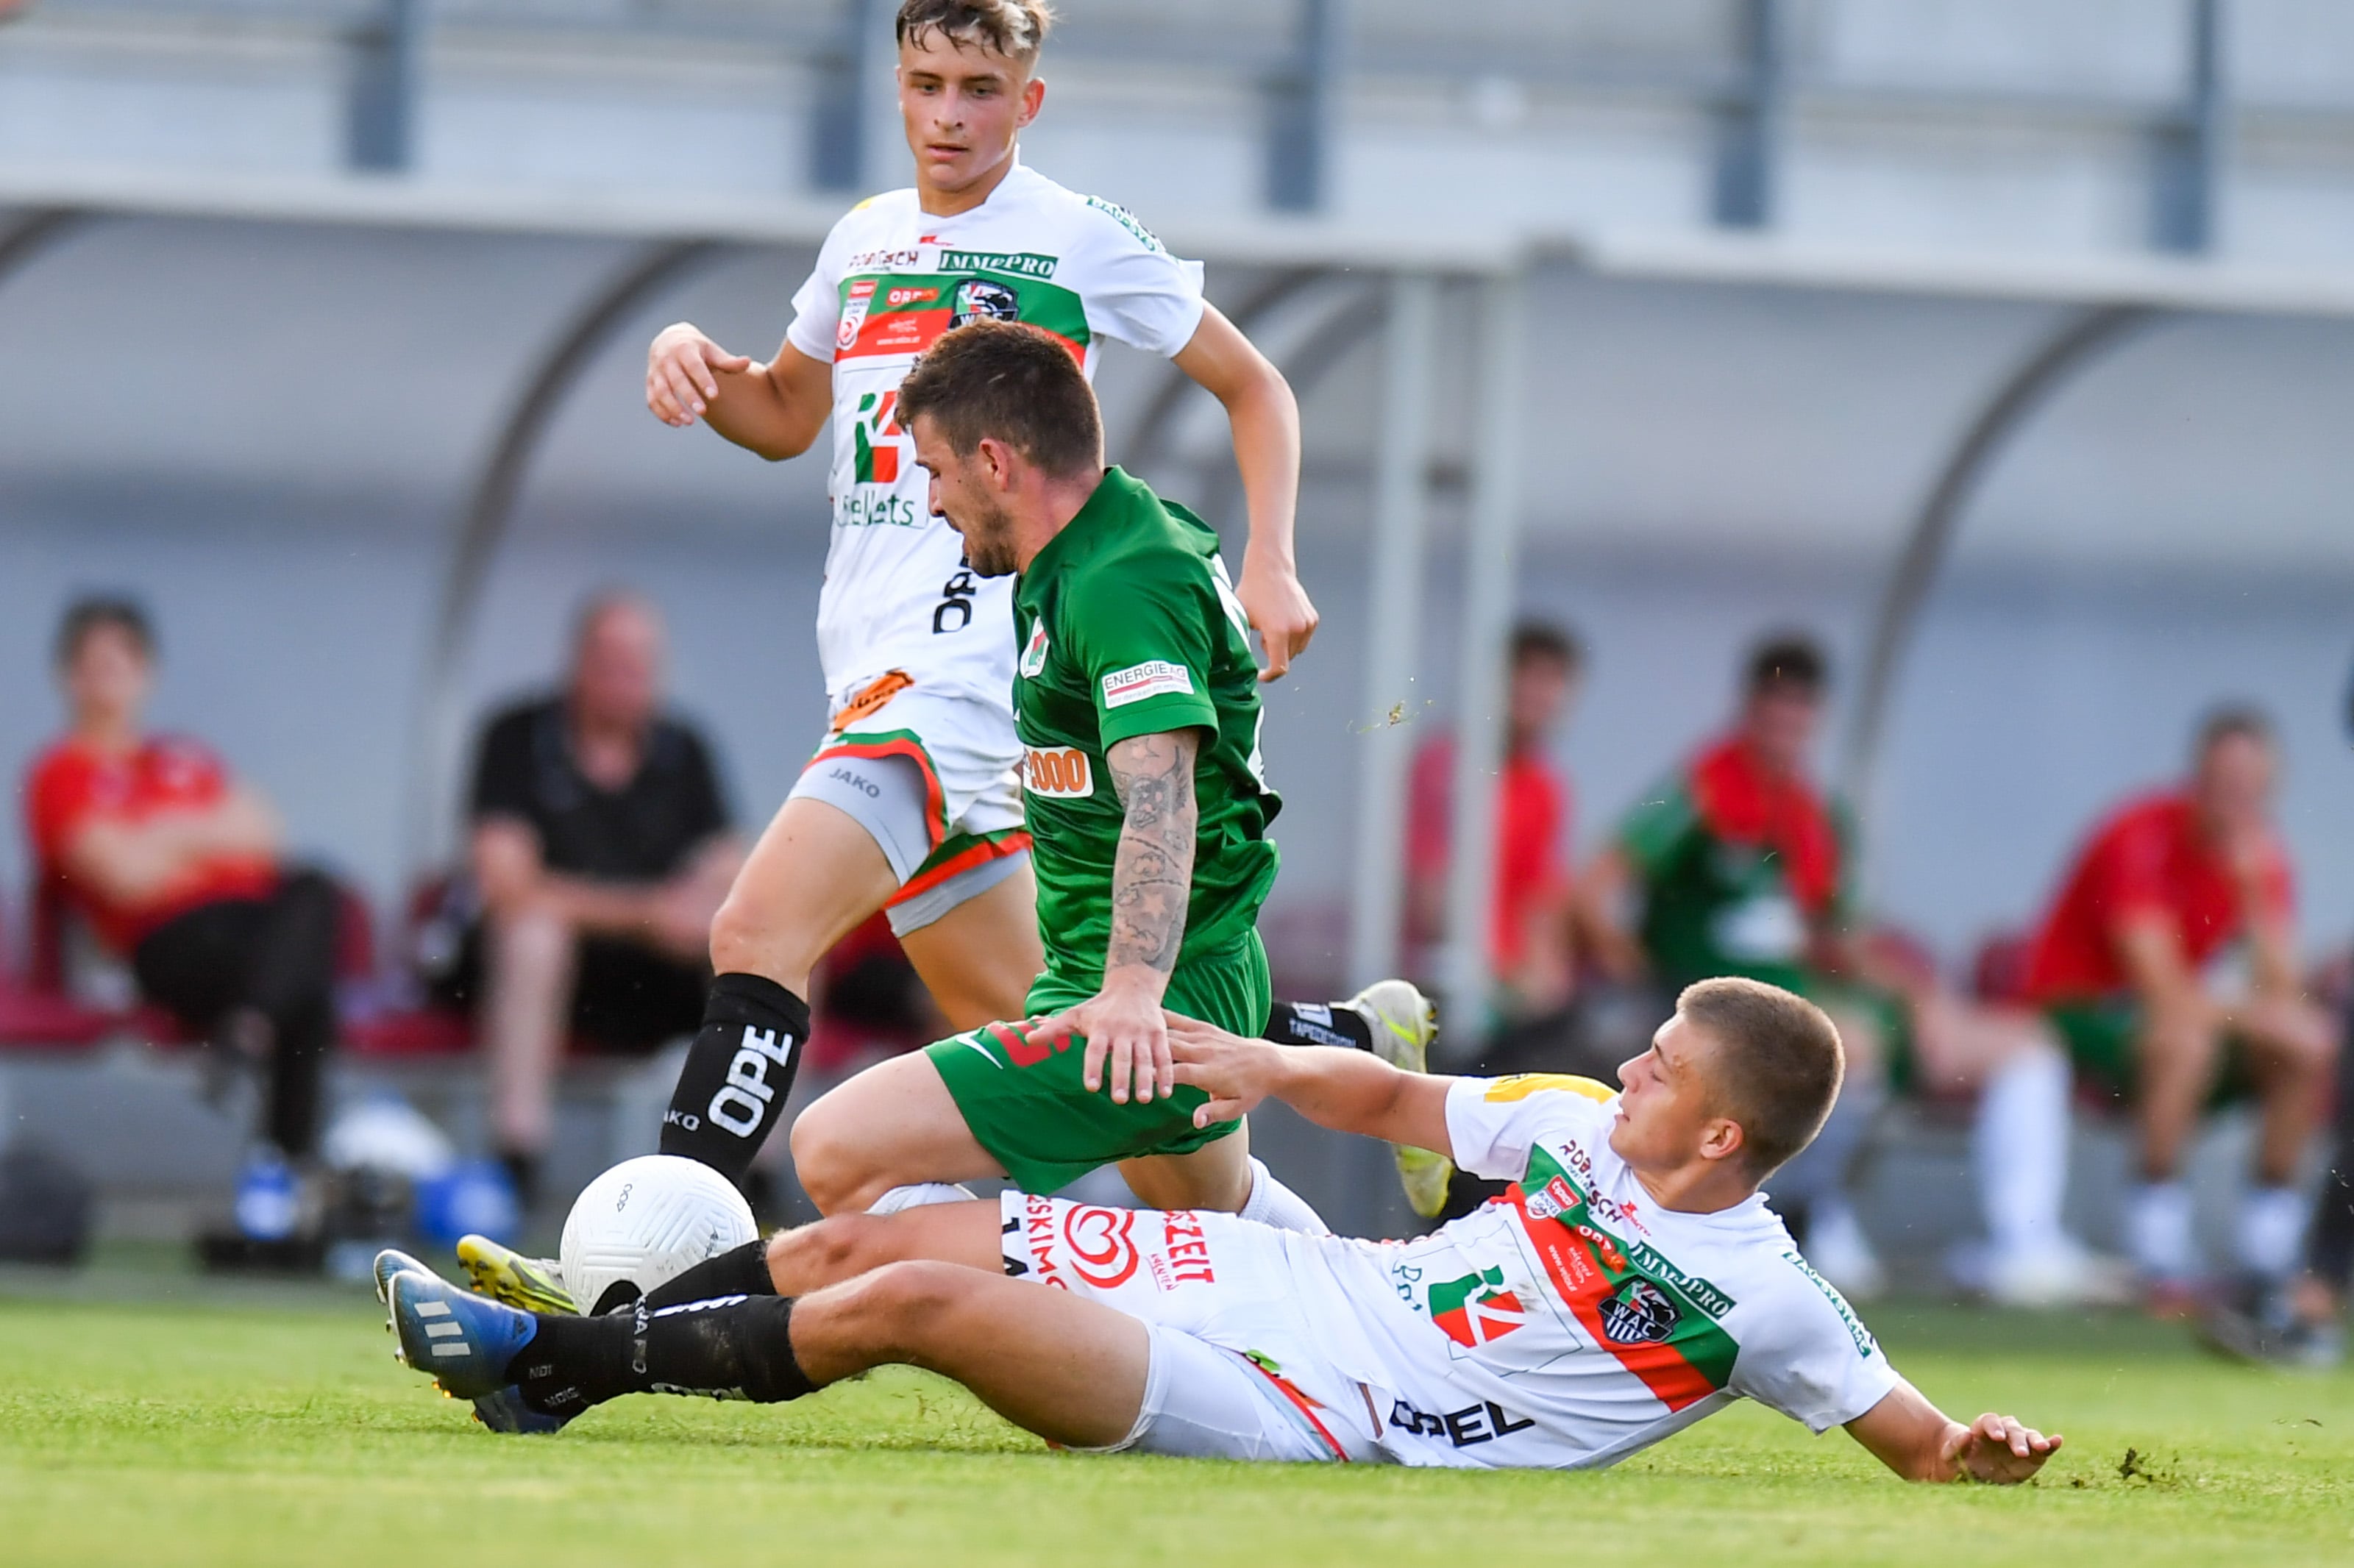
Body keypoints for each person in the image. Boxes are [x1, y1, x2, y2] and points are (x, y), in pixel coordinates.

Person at [635, 0, 1430, 1211]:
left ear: (1029, 99)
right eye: (926, 83)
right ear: (895, 86)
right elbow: (786, 416)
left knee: (758, 928)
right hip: (869, 667)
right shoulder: (862, 241)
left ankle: (652, 1249)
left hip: (970, 671)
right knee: (1116, 1077)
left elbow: (1257, 385)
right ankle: (1339, 1078)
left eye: (978, 88)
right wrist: (694, 355)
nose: (949, 114)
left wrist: (1272, 555)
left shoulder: (1075, 236)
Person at [381, 976, 2061, 1489]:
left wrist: (1981, 1447)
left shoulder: (1768, 1297)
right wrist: (1267, 1061)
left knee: (916, 1301)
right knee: (885, 1234)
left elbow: (1911, 1440)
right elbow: (1405, 1108)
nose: (1625, 1066)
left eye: (1660, 1066)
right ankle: (566, 1354)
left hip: (1328, 1407)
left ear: (1717, 1132)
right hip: (1302, 1280)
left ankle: (562, 1368)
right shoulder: (1567, 1126)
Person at [1575, 635, 2111, 1305]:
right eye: (1774, 712)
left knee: (2025, 1045)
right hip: (1728, 1011)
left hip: (1808, 996)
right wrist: (1643, 982)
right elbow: (1594, 888)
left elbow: (1841, 937)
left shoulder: (1815, 815)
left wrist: (1922, 999)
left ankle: (2024, 1248)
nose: (1786, 730)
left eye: (1800, 715)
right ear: (1750, 710)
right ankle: (1804, 1222)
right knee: (1847, 1044)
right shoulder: (1703, 792)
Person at [22, 596, 341, 1264]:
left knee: (315, 892)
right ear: (68, 677)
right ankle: (282, 1195)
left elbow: (265, 834)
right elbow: (123, 876)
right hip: (165, 946)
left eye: (122, 663)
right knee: (303, 992)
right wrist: (201, 833)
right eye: (94, 664)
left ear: (147, 675)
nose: (109, 678)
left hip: (250, 936)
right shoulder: (59, 773)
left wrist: (156, 835)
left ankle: (246, 1034)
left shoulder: (183, 759)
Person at [2023, 708, 2336, 1308]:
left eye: (2250, 787)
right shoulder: (2139, 833)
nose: (2235, 799)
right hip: (2082, 1011)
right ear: (2197, 775)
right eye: (2223, 783)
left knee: (2304, 1049)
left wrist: (2256, 897)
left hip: (2184, 1022)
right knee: (2185, 1041)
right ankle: (2156, 1246)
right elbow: (2158, 987)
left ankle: (2265, 1250)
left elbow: (2284, 990)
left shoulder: (2261, 857)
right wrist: (2267, 1018)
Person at [447, 592, 744, 1208]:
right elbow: (509, 885)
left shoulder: (684, 749)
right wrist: (645, 913)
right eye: (611, 658)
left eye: (640, 662)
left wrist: (692, 905)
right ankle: (519, 1157)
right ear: (577, 660)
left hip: (656, 980)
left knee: (757, 940)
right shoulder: (517, 738)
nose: (625, 677)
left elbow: (729, 864)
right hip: (547, 975)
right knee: (533, 935)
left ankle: (751, 1167)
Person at [1403, 621, 1583, 1217]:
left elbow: (1540, 903)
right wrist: (1496, 978)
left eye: (1550, 684)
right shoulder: (1450, 765)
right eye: (1524, 678)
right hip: (1447, 984)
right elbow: (1433, 894)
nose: (1535, 697)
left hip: (1508, 998)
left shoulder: (1546, 786)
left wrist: (1544, 982)